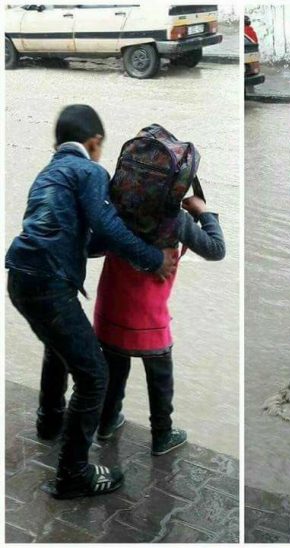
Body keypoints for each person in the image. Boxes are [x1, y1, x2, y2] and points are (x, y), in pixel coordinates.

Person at [5, 104, 177, 499]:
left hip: (21, 277)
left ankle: (49, 421)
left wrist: (121, 246)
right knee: (94, 375)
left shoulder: (49, 172)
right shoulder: (90, 171)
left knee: (59, 347)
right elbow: (108, 225)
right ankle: (73, 473)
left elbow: (83, 235)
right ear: (95, 142)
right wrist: (153, 258)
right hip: (50, 282)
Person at [93, 188, 225, 456]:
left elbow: (93, 244)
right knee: (160, 376)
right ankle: (162, 434)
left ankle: (106, 423)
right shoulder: (176, 219)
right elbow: (216, 249)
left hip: (110, 307)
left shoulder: (119, 209)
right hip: (148, 317)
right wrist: (204, 212)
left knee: (114, 369)